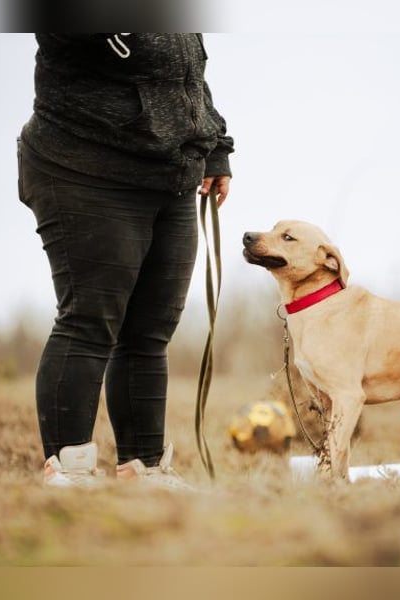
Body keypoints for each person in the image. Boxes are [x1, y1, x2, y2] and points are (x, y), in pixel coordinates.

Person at [17, 34, 233, 488]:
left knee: (149, 331)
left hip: (170, 177)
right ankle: (68, 469)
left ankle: (144, 468)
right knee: (90, 320)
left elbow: (188, 80)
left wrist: (215, 150)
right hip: (86, 168)